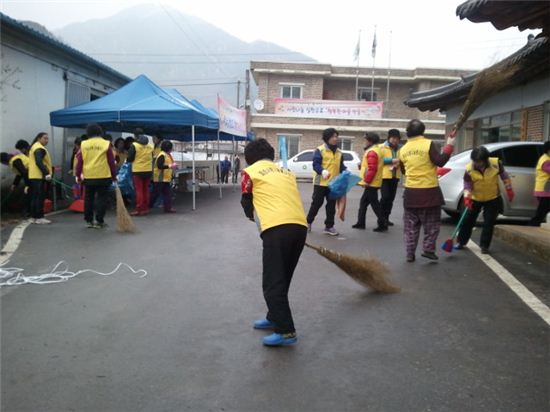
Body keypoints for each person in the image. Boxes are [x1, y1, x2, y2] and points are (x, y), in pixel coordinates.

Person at [240, 138, 307, 347]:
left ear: (249, 159)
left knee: (272, 283)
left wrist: (251, 216)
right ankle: (274, 317)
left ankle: (286, 331)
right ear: (271, 155)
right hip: (299, 227)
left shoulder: (250, 172)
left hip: (276, 229)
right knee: (282, 278)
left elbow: (246, 200)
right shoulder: (285, 172)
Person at [397, 120, 456, 262]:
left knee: (410, 226)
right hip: (429, 192)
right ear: (423, 131)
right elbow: (440, 161)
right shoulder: (428, 144)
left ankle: (410, 253)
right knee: (431, 225)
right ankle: (428, 250)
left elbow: (404, 170)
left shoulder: (402, 149)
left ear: (408, 132)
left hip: (411, 193)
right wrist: (450, 144)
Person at [455, 146, 514, 254]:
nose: (478, 164)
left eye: (480, 161)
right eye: (476, 161)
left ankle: (484, 246)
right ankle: (461, 242)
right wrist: (467, 197)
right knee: (467, 220)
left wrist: (509, 189)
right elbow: (467, 184)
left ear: (486, 159)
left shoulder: (496, 164)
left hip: (492, 198)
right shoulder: (469, 168)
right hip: (475, 198)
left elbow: (504, 176)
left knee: (489, 222)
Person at [75, 124, 117, 228]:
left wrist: (78, 174)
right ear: (100, 132)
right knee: (101, 198)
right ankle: (99, 221)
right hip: (103, 175)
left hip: (89, 175)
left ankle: (89, 221)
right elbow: (111, 161)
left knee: (89, 198)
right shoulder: (106, 144)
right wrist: (114, 175)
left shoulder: (84, 144)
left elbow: (80, 161)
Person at [306, 127, 346, 236]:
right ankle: (308, 222)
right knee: (317, 203)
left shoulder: (339, 152)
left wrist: (346, 172)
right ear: (327, 138)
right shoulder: (320, 150)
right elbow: (316, 164)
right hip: (321, 182)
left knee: (331, 205)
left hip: (333, 183)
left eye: (336, 136)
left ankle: (329, 226)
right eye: (333, 136)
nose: (335, 138)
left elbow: (341, 166)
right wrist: (322, 171)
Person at [352, 132, 387, 232]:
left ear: (370, 141)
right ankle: (361, 222)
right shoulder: (376, 150)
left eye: (366, 140)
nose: (365, 142)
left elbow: (372, 169)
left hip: (371, 183)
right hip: (373, 182)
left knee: (375, 204)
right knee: (364, 203)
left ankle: (382, 223)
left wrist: (367, 181)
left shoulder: (372, 152)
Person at [28, 132, 53, 224]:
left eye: (47, 138)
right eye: (45, 138)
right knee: (39, 197)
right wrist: (46, 173)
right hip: (39, 176)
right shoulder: (39, 148)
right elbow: (39, 162)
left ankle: (34, 217)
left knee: (35, 197)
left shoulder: (34, 147)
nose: (47, 140)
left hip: (34, 176)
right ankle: (39, 217)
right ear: (39, 138)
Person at [127, 128, 153, 216]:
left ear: (135, 136)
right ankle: (146, 208)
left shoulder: (134, 145)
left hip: (138, 171)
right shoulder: (150, 146)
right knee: (146, 190)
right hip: (148, 170)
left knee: (139, 191)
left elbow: (130, 158)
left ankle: (139, 209)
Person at [380, 129, 402, 226]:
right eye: (393, 138)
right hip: (384, 176)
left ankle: (386, 218)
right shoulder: (381, 147)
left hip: (395, 176)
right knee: (385, 197)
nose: (394, 140)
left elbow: (402, 160)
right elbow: (378, 160)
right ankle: (381, 217)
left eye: (397, 138)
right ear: (389, 138)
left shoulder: (400, 149)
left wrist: (399, 163)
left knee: (391, 199)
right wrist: (391, 161)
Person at [151, 140, 177, 213]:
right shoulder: (162, 155)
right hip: (159, 178)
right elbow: (159, 166)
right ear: (168, 148)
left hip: (165, 179)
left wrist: (172, 166)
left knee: (168, 194)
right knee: (155, 194)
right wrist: (170, 166)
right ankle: (148, 205)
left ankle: (168, 208)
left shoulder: (167, 155)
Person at [530, 141, 550, 226]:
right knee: (541, 211)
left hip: (545, 189)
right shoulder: (545, 160)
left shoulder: (546, 158)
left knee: (543, 210)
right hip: (545, 190)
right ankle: (532, 225)